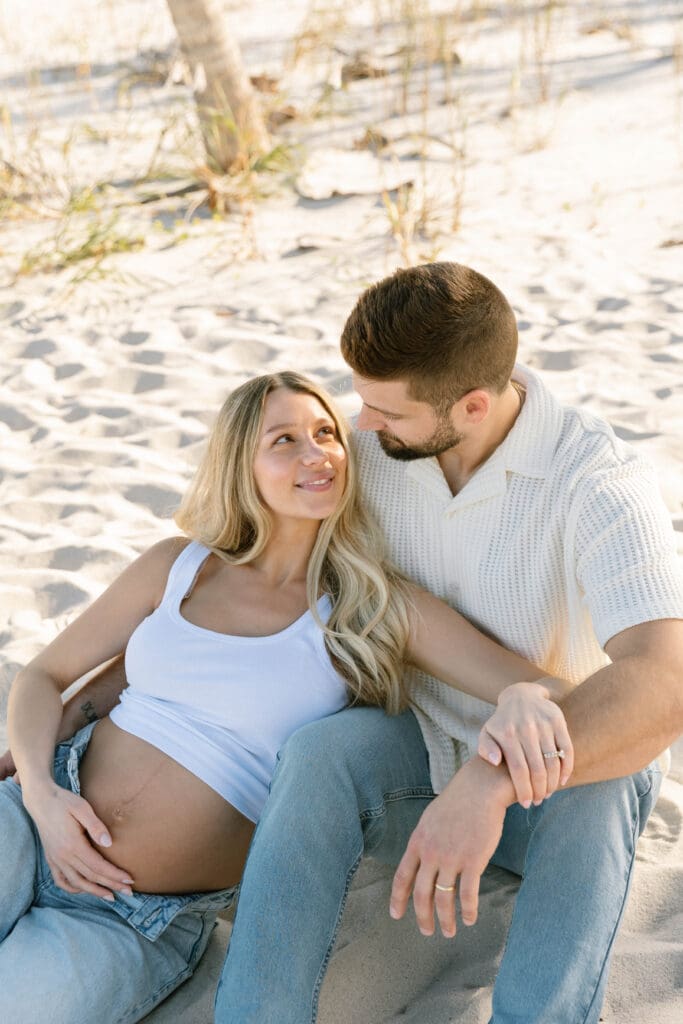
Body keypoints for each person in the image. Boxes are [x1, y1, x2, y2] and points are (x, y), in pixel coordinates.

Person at [0, 369, 572, 1024]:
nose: (315, 454)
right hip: (30, 820)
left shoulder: (372, 606)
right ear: (241, 463)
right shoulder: (177, 565)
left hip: (136, 916)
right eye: (285, 440)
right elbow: (44, 676)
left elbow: (543, 687)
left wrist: (525, 696)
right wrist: (44, 799)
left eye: (325, 433)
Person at [209, 264, 683, 1024]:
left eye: (383, 410)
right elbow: (235, 563)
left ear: (471, 405)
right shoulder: (372, 450)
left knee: (602, 783)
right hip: (416, 750)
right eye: (359, 399)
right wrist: (88, 696)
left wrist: (492, 782)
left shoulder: (597, 480)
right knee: (320, 752)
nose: (359, 425)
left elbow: (663, 685)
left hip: (554, 770)